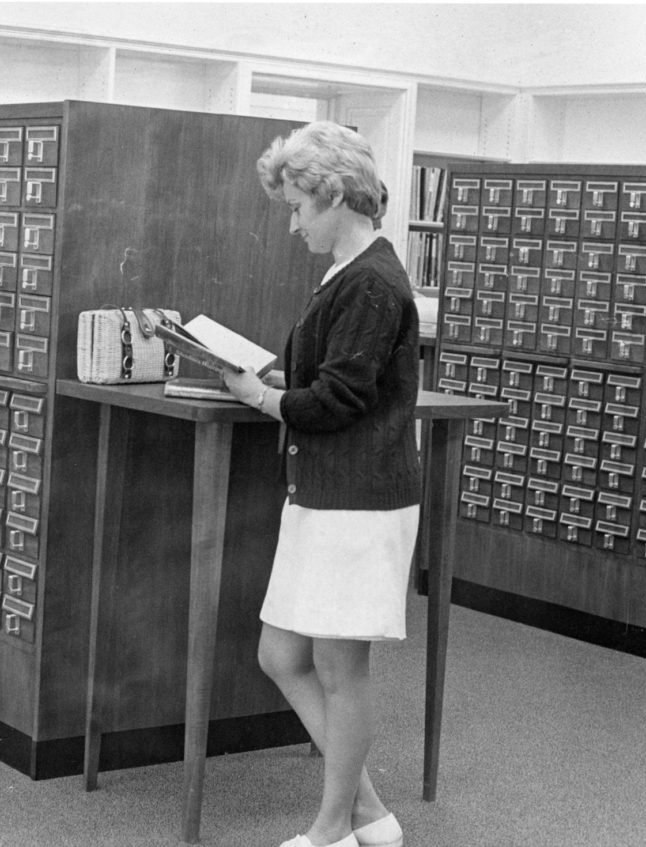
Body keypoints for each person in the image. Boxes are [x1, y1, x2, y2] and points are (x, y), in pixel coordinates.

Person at [222, 121, 420, 847]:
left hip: (359, 499)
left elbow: (339, 399)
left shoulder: (371, 278)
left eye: (299, 205)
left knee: (340, 665)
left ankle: (333, 827)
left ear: (336, 194)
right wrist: (277, 378)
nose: (293, 222)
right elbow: (333, 372)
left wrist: (262, 397)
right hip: (325, 493)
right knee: (281, 654)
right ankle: (370, 812)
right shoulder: (347, 272)